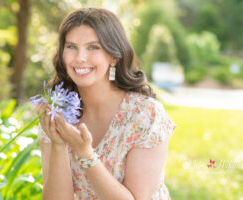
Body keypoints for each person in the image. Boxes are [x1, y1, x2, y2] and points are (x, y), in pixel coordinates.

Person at [35, 7, 176, 200]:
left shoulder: (144, 114)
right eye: (71, 47)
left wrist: (84, 153)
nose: (80, 58)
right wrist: (59, 144)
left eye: (93, 47)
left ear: (114, 57)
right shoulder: (56, 114)